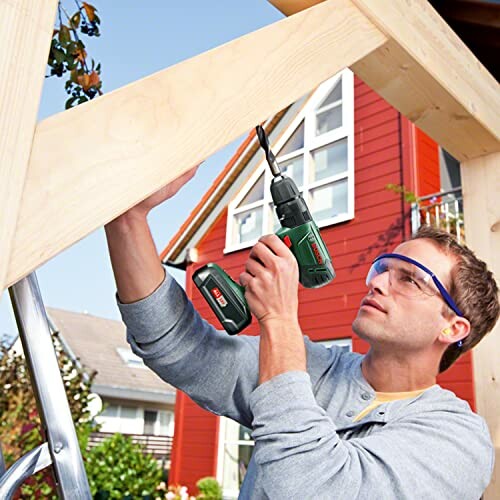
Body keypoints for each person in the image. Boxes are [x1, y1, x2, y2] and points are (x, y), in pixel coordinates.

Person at [105, 167, 499, 499]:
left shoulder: (458, 441)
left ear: (453, 327)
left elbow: (314, 486)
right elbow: (178, 347)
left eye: (410, 280)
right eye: (384, 269)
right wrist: (128, 219)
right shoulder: (316, 368)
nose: (378, 284)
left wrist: (278, 319)